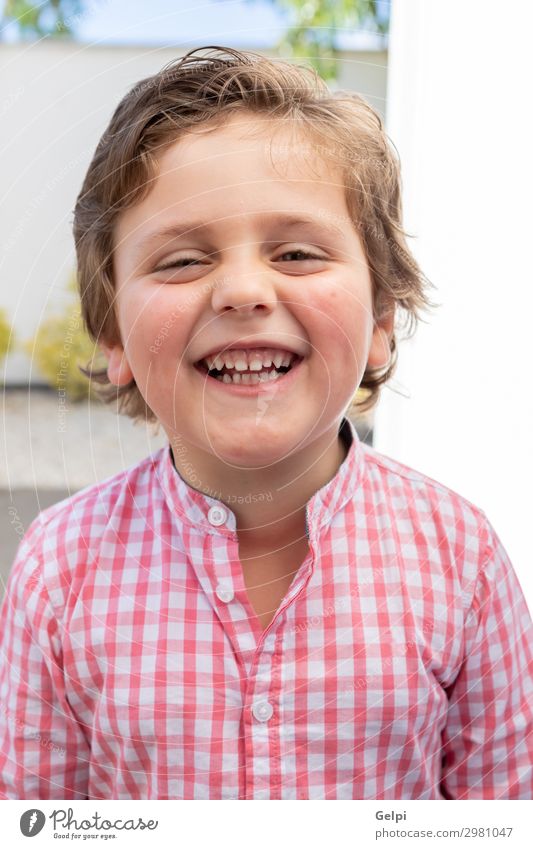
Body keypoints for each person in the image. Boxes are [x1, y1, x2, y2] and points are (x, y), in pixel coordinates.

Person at [0, 45, 531, 801]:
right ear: (112, 335)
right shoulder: (59, 570)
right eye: (182, 261)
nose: (243, 289)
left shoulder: (461, 557)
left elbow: (505, 810)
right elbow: (31, 817)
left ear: (380, 319)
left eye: (296, 251)